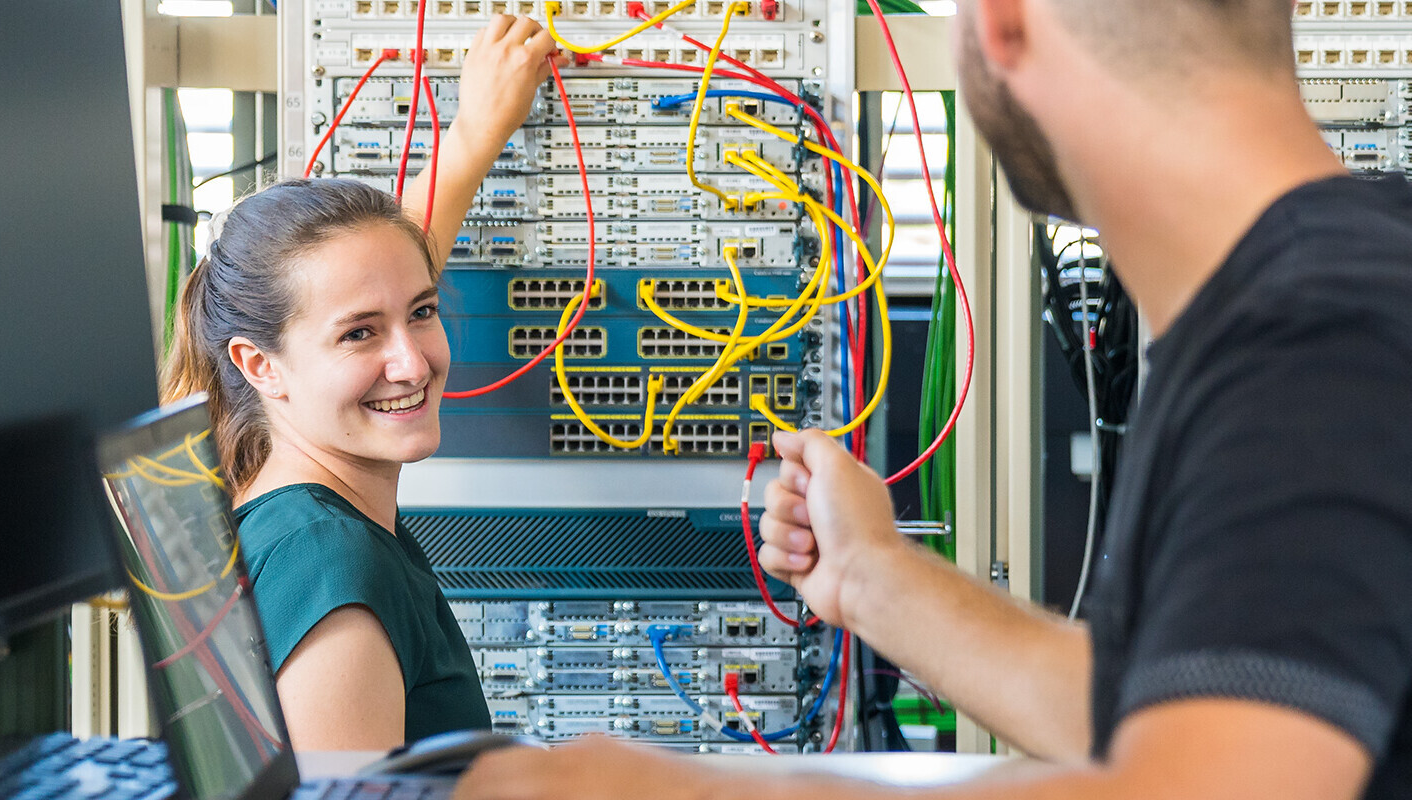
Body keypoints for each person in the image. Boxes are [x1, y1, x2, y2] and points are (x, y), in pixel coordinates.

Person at [453, 0, 1412, 797]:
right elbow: (1158, 711)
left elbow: (1205, 787)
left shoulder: (1314, 333)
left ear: (1001, 25)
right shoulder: (1334, 285)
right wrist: (874, 580)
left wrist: (693, 788)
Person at [161, 15, 561, 749]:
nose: (412, 361)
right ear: (260, 365)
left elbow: (373, 276)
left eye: (423, 312)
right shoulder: (331, 564)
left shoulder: (286, 514)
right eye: (359, 334)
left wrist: (475, 136)